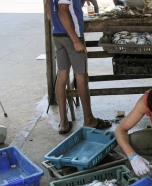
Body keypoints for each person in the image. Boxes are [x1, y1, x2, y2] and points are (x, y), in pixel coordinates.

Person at [45, 0, 111, 134]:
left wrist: (57, 26)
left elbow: (48, 5)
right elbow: (63, 11)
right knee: (81, 75)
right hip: (71, 35)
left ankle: (63, 123)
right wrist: (75, 40)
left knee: (62, 75)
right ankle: (89, 119)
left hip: (58, 34)